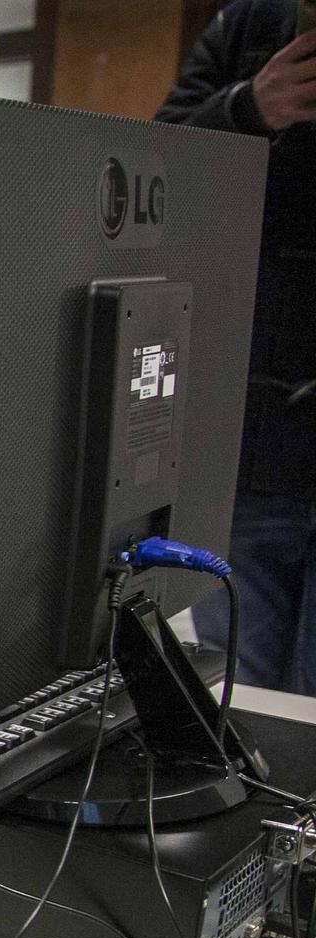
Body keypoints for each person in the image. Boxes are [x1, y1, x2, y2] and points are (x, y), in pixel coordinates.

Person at [158, 7, 316, 695]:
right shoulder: (251, 24)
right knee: (240, 699)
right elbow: (151, 169)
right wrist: (246, 107)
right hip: (249, 443)